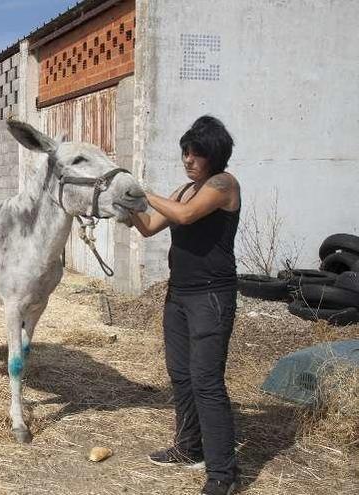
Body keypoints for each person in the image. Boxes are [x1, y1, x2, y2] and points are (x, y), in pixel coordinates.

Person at [129, 115, 240, 495]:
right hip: (178, 295)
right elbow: (148, 226)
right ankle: (189, 447)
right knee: (181, 375)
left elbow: (185, 217)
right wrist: (122, 204)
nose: (188, 159)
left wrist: (140, 190)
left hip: (211, 296)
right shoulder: (182, 190)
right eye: (186, 152)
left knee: (207, 381)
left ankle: (222, 473)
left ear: (214, 155)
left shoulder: (223, 185)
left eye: (196, 153)